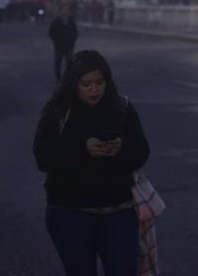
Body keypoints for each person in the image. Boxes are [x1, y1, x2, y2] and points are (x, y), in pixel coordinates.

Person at [33, 50, 150, 276]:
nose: (94, 89)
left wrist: (120, 149)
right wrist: (82, 149)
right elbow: (43, 158)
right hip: (69, 212)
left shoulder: (122, 109)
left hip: (119, 211)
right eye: (86, 84)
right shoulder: (57, 113)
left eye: (99, 82)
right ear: (73, 84)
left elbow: (142, 151)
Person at [48, 3, 78, 80]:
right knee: (58, 63)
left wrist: (72, 42)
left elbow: (75, 32)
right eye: (64, 9)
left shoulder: (71, 20)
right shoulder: (56, 21)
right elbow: (51, 33)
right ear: (60, 10)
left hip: (69, 46)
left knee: (69, 64)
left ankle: (69, 78)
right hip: (59, 46)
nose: (65, 11)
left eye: (67, 9)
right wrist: (56, 41)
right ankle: (58, 78)